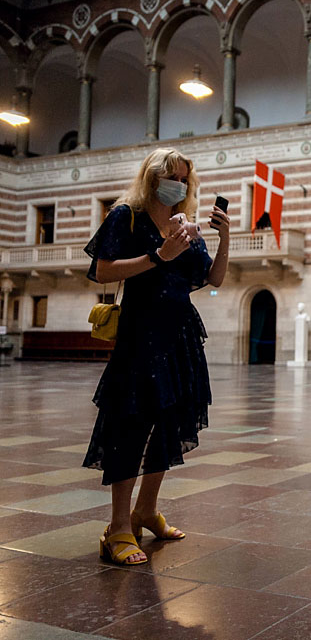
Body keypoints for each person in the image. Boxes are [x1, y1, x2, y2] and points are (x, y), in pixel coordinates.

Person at [82, 148, 230, 566]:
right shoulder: (127, 215)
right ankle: (117, 528)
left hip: (181, 337)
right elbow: (102, 270)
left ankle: (146, 510)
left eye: (184, 178)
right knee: (130, 426)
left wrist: (225, 238)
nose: (179, 185)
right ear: (153, 177)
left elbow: (212, 280)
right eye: (172, 176)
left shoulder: (184, 226)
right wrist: (156, 257)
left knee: (168, 424)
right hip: (141, 337)